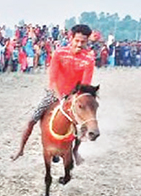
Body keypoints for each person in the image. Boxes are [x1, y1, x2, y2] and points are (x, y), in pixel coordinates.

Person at [11, 24, 95, 162]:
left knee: (84, 121)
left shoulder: (88, 59)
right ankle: (20, 149)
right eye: (77, 40)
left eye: (83, 42)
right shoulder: (59, 53)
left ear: (87, 42)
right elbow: (53, 79)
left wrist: (73, 99)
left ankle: (75, 150)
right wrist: (60, 98)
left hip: (74, 95)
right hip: (54, 93)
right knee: (33, 118)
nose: (79, 44)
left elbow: (85, 84)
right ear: (71, 38)